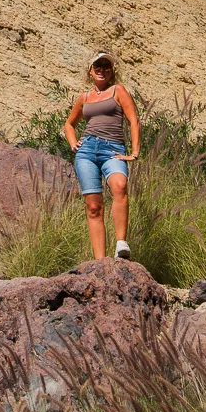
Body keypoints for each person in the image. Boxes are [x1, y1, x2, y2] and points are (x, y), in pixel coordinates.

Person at [64, 50, 140, 260]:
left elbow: (133, 120)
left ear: (112, 72)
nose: (102, 70)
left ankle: (121, 244)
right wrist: (73, 143)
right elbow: (69, 124)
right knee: (94, 206)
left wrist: (134, 152)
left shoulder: (118, 91)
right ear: (90, 71)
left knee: (120, 186)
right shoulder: (84, 98)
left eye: (106, 67)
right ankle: (100, 262)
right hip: (86, 151)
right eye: (98, 66)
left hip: (112, 149)